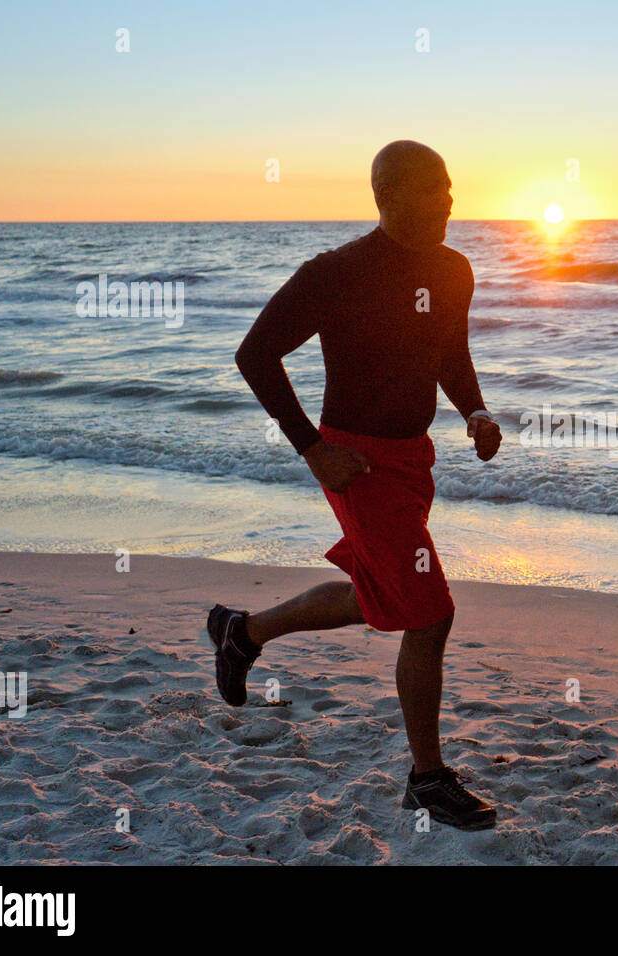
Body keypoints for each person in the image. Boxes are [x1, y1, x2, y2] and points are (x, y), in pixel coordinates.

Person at [207, 140, 504, 831]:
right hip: (357, 464)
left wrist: (476, 410)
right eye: (436, 186)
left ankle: (242, 632)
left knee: (381, 594)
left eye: (452, 184)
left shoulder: (454, 270)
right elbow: (255, 354)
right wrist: (312, 450)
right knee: (430, 612)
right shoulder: (337, 273)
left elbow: (450, 352)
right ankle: (427, 779)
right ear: (390, 194)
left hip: (413, 460)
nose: (451, 198)